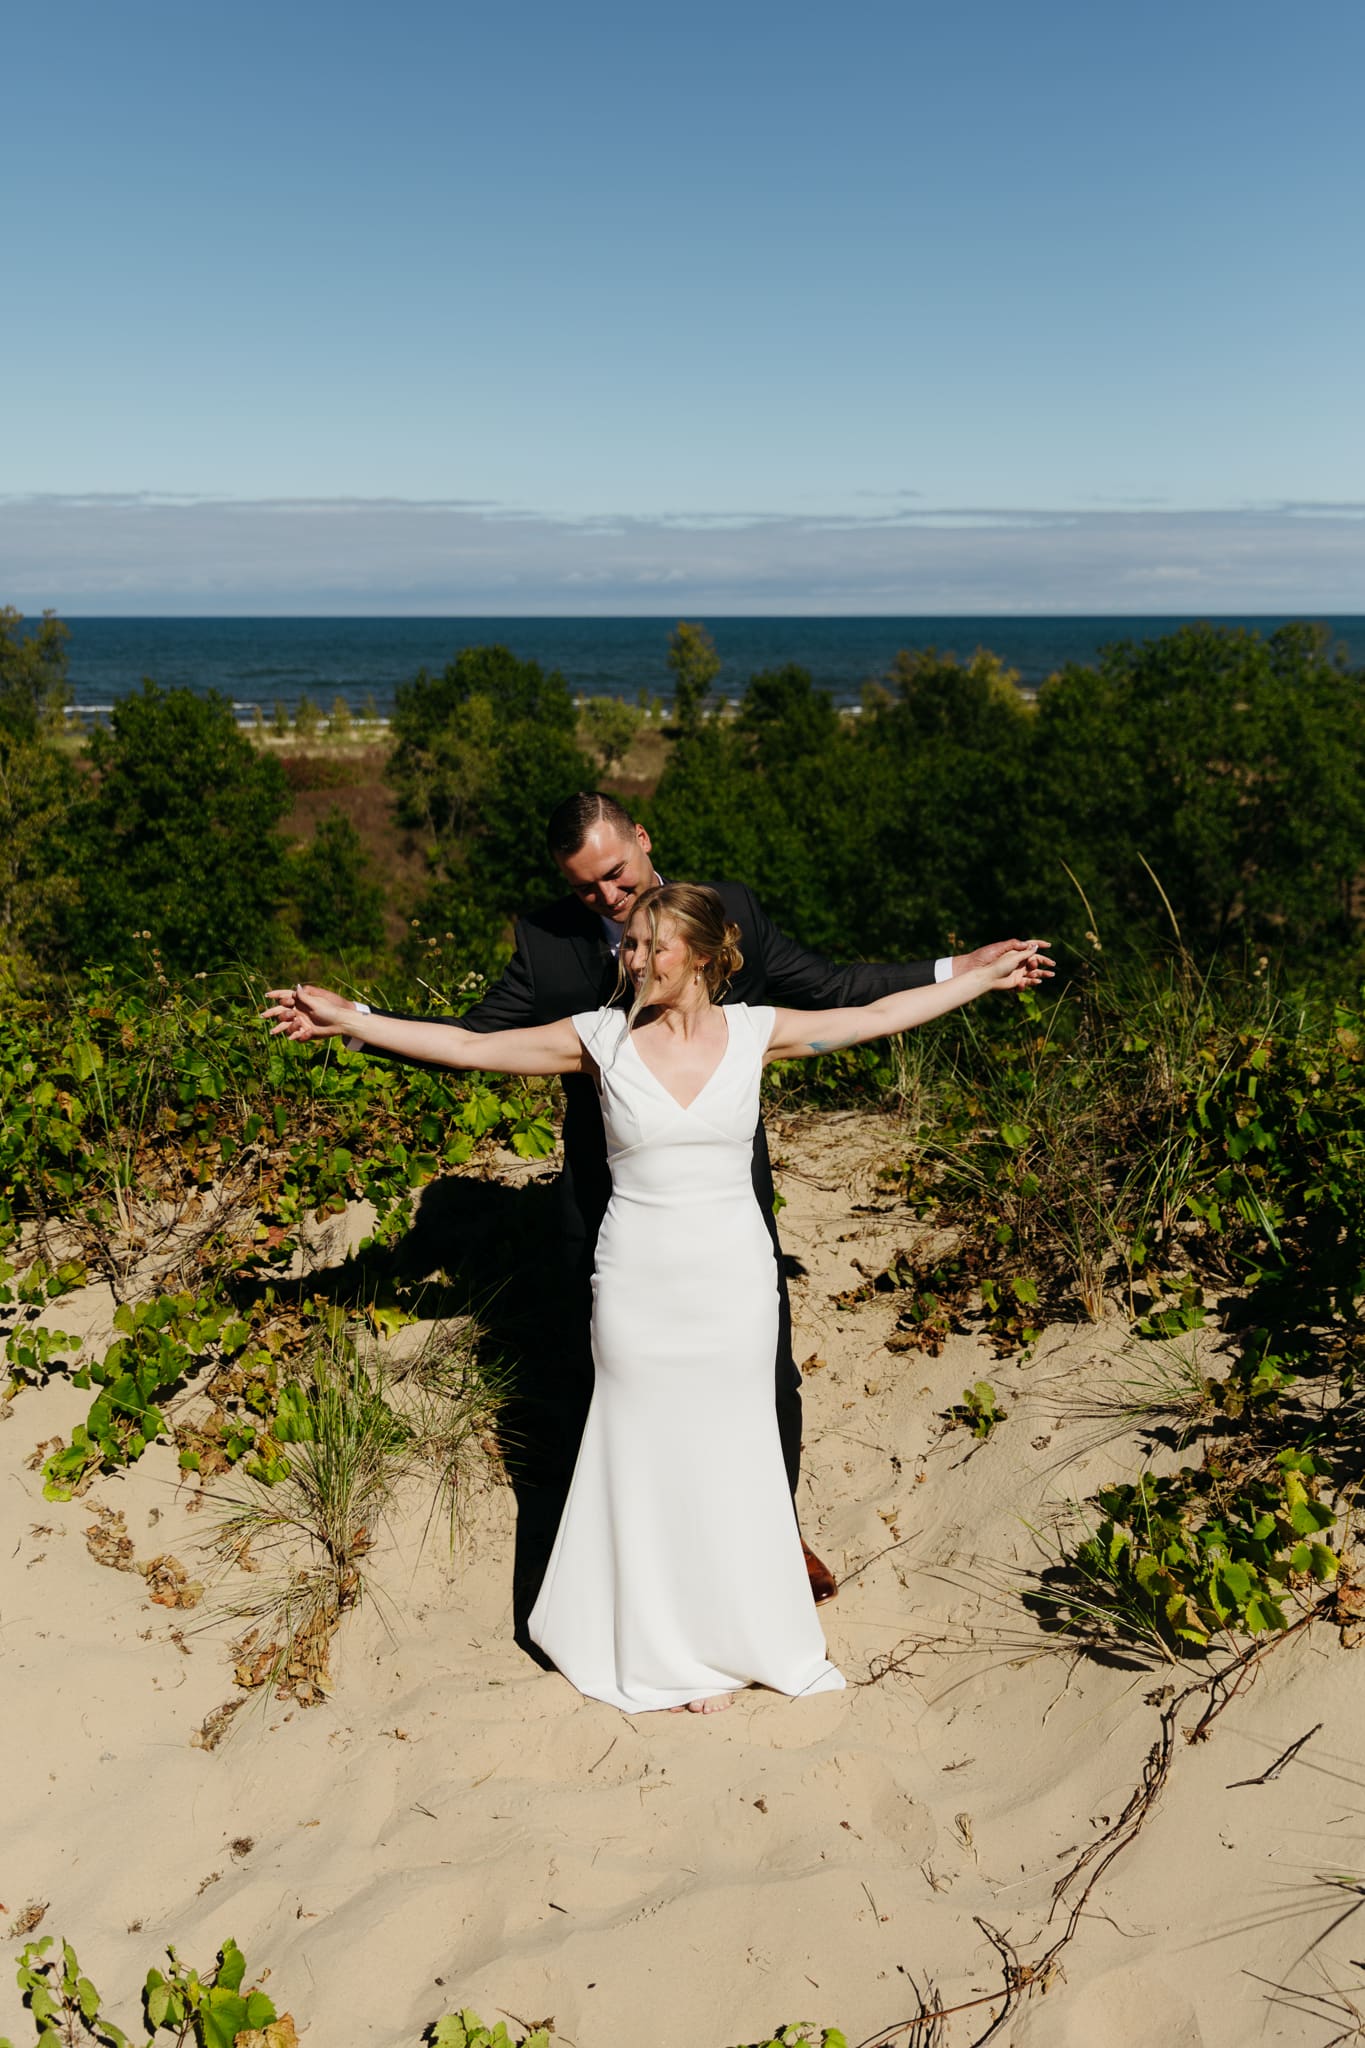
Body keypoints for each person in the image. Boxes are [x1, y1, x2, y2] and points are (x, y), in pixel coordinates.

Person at [268, 885, 1034, 1715]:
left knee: (731, 1452)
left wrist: (979, 978)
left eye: (649, 947)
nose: (629, 958)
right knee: (648, 1455)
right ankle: (659, 1648)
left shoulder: (755, 1030)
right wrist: (356, 1018)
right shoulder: (596, 1039)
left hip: (734, 1285)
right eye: (627, 945)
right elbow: (464, 1047)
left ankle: (735, 1636)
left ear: (702, 956)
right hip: (635, 1282)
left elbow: (879, 1015)